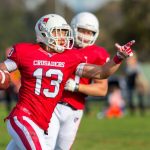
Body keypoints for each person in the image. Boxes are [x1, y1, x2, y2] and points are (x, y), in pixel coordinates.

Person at [0, 13, 134, 150]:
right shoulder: (25, 51)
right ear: (44, 33)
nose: (63, 38)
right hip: (23, 117)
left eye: (65, 33)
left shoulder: (68, 57)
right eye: (59, 33)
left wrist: (118, 58)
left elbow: (102, 72)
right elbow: (3, 68)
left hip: (42, 122)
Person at [46, 12, 110, 150]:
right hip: (52, 105)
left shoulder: (98, 54)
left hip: (75, 109)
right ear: (74, 28)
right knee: (45, 145)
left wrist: (76, 86)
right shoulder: (60, 45)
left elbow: (102, 89)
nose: (85, 35)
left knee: (62, 148)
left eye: (90, 32)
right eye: (82, 30)